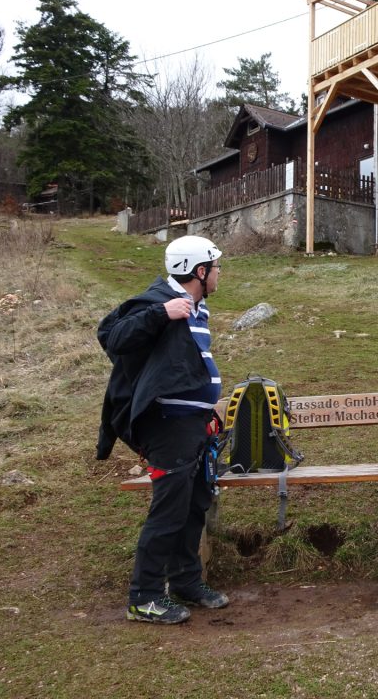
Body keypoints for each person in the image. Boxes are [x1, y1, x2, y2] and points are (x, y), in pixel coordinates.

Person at [97, 235, 230, 624]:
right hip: (168, 428)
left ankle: (187, 582)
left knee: (193, 508)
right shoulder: (160, 302)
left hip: (194, 427)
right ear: (200, 272)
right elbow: (111, 337)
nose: (221, 273)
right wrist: (162, 313)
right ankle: (144, 597)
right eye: (217, 267)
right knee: (169, 512)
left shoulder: (196, 308)